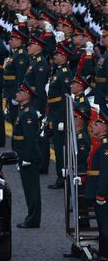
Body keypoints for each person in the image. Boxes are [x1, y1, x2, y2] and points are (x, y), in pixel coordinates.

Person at [13, 81, 41, 228]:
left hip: (27, 155)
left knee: (32, 189)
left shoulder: (28, 112)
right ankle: (32, 217)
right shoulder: (23, 110)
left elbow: (30, 138)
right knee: (28, 188)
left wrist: (27, 158)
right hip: (23, 153)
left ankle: (33, 219)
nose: (17, 93)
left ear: (26, 95)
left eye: (20, 91)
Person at [48, 44, 74, 189]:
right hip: (54, 112)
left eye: (57, 54)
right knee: (57, 147)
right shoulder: (58, 70)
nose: (55, 57)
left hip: (60, 115)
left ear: (64, 56)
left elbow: (66, 98)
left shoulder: (64, 73)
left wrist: (64, 119)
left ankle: (62, 178)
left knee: (60, 148)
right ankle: (60, 176)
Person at [85, 109, 108, 261]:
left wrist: (101, 194)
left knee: (105, 227)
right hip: (98, 192)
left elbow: (105, 174)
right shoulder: (100, 145)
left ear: (105, 128)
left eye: (98, 123)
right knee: (102, 225)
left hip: (103, 195)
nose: (94, 124)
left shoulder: (104, 147)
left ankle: (105, 257)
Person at [25, 35, 51, 174]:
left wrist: (39, 108)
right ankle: (37, 160)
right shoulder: (34, 61)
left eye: (31, 45)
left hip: (37, 103)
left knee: (41, 134)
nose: (28, 47)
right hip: (32, 102)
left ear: (38, 47)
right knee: (34, 134)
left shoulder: (41, 63)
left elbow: (40, 89)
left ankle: (42, 164)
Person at [4, 29, 30, 124]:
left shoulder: (21, 55)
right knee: (12, 118)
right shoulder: (16, 53)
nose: (9, 41)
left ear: (19, 40)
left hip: (14, 91)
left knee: (15, 119)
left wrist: (17, 93)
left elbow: (21, 76)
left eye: (12, 39)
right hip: (10, 90)